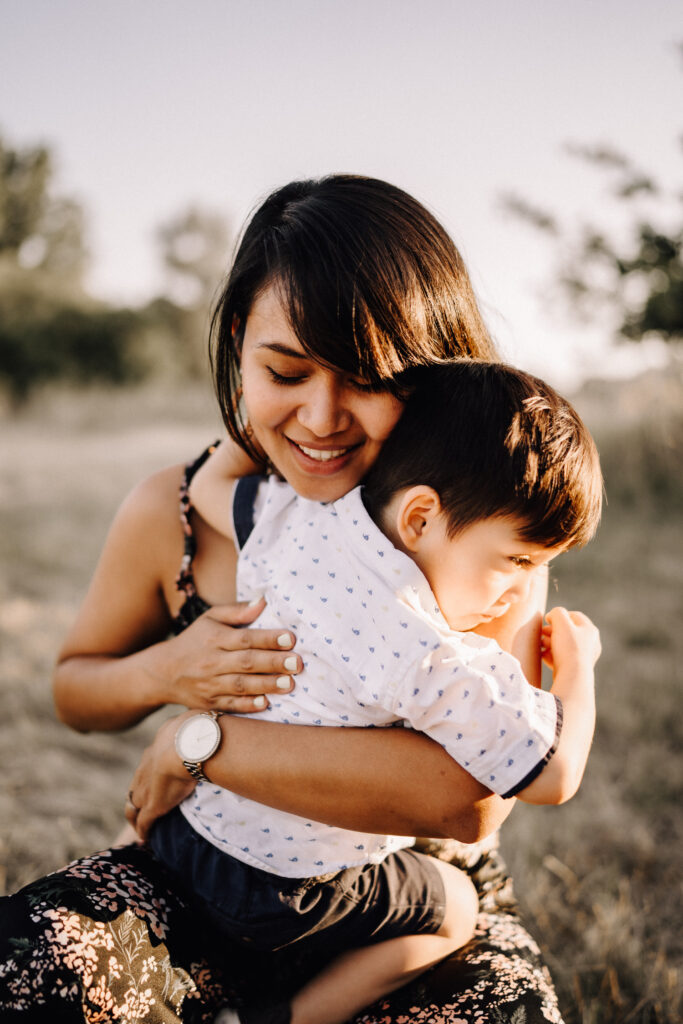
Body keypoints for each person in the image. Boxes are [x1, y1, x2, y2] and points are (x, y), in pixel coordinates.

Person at [0, 175, 569, 1023]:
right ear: (237, 343)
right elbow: (76, 691)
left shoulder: (470, 539)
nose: (321, 416)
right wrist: (171, 669)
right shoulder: (181, 509)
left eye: (365, 380)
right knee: (28, 972)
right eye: (285, 370)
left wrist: (201, 744)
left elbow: (470, 801)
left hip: (395, 902)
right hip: (201, 872)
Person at [142, 359, 601, 1024]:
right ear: (419, 516)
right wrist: (579, 670)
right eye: (519, 562)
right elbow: (553, 776)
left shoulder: (296, 521)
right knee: (455, 905)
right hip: (286, 891)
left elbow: (212, 479)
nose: (520, 591)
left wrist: (278, 414)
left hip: (190, 838)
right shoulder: (427, 652)